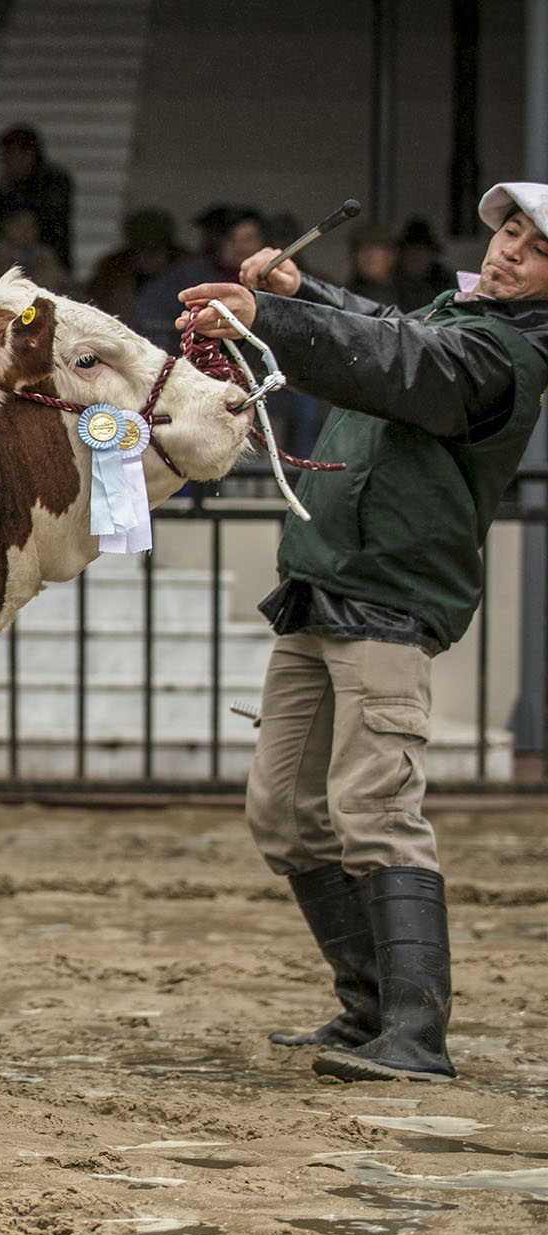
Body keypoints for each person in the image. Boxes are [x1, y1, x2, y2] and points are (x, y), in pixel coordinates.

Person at [179, 181, 548, 1085]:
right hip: (323, 583)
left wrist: (270, 311)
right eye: (509, 230)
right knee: (286, 817)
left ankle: (417, 1039)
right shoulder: (466, 319)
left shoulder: (507, 354)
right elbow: (389, 332)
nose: (507, 249)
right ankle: (368, 1013)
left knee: (377, 813)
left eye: (536, 247)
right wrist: (300, 300)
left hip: (388, 598)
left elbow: (396, 362)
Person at [131, 204, 264, 354]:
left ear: (263, 242)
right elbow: (149, 318)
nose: (239, 247)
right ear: (219, 241)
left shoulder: (275, 280)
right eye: (231, 239)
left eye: (248, 239)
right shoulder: (187, 274)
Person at [0, 123, 75, 274]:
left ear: (28, 154)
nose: (5, 164)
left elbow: (51, 218)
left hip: (49, 257)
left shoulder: (54, 180)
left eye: (9, 157)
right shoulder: (8, 184)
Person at [83, 207, 182, 324]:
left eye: (155, 251)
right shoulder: (113, 267)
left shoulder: (184, 266)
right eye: (141, 251)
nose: (147, 258)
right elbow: (93, 304)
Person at [0, 201, 64, 308]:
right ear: (6, 226)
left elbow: (60, 291)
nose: (26, 231)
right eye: (19, 225)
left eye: (31, 226)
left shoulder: (46, 257)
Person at [395, 217, 454, 314]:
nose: (416, 259)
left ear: (431, 256)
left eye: (422, 254)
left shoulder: (443, 282)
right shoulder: (391, 281)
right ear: (402, 254)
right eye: (412, 253)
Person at [344, 222, 400, 307]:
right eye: (362, 249)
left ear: (392, 255)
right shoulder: (346, 296)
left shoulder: (411, 294)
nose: (369, 256)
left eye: (376, 249)